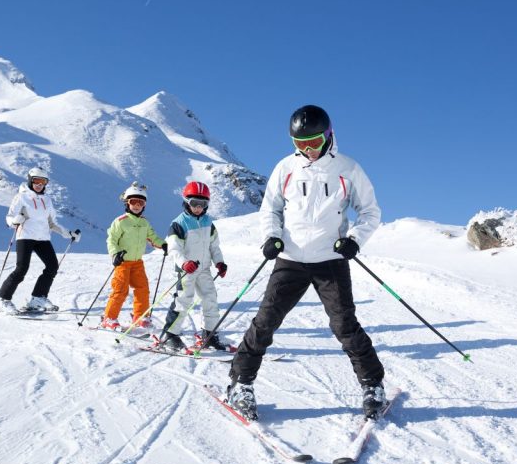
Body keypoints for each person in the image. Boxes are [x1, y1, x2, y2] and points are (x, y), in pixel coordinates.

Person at [226, 105, 386, 421]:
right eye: (300, 144)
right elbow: (269, 208)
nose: (308, 150)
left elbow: (370, 212)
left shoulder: (348, 169)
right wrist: (271, 236)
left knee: (345, 326)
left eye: (313, 142)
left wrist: (354, 239)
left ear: (327, 136)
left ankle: (373, 385)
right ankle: (240, 383)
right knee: (266, 321)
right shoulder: (286, 168)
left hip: (330, 259)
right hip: (291, 258)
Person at [0, 167, 81, 314]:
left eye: (43, 181)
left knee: (52, 266)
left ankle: (38, 297)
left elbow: (52, 223)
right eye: (36, 181)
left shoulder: (47, 200)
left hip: (43, 238)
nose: (39, 184)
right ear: (30, 180)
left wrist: (68, 234)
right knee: (21, 269)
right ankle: (2, 300)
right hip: (25, 236)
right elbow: (9, 217)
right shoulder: (21, 197)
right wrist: (15, 221)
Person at [158, 181, 229, 352]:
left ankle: (209, 334)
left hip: (204, 268)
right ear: (186, 202)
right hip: (187, 270)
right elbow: (174, 248)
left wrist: (219, 262)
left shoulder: (208, 223)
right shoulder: (179, 223)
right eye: (194, 203)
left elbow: (214, 246)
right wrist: (184, 263)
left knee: (210, 299)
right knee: (183, 300)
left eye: (202, 204)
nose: (198, 208)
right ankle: (169, 334)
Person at [102, 182, 167, 330]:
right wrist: (115, 254)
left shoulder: (145, 223)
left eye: (140, 202)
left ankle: (140, 316)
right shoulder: (120, 222)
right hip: (123, 262)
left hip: (138, 262)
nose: (137, 205)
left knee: (142, 289)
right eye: (133, 202)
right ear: (127, 203)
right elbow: (111, 240)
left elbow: (152, 237)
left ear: (144, 205)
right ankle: (109, 318)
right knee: (120, 290)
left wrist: (163, 244)